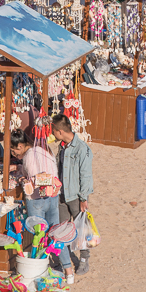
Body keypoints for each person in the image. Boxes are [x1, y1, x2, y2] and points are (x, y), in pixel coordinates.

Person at [20, 129, 74, 284]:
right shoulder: (47, 151)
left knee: (39, 236)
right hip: (52, 197)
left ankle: (39, 271)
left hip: (36, 199)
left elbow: (30, 175)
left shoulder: (30, 155)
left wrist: (22, 178)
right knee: (56, 233)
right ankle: (68, 270)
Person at [52, 115, 94, 275]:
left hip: (76, 196)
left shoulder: (82, 149)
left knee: (81, 229)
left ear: (60, 131)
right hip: (62, 194)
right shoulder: (63, 146)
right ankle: (62, 259)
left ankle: (84, 259)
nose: (53, 135)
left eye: (54, 132)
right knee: (61, 229)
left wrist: (84, 198)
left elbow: (86, 175)